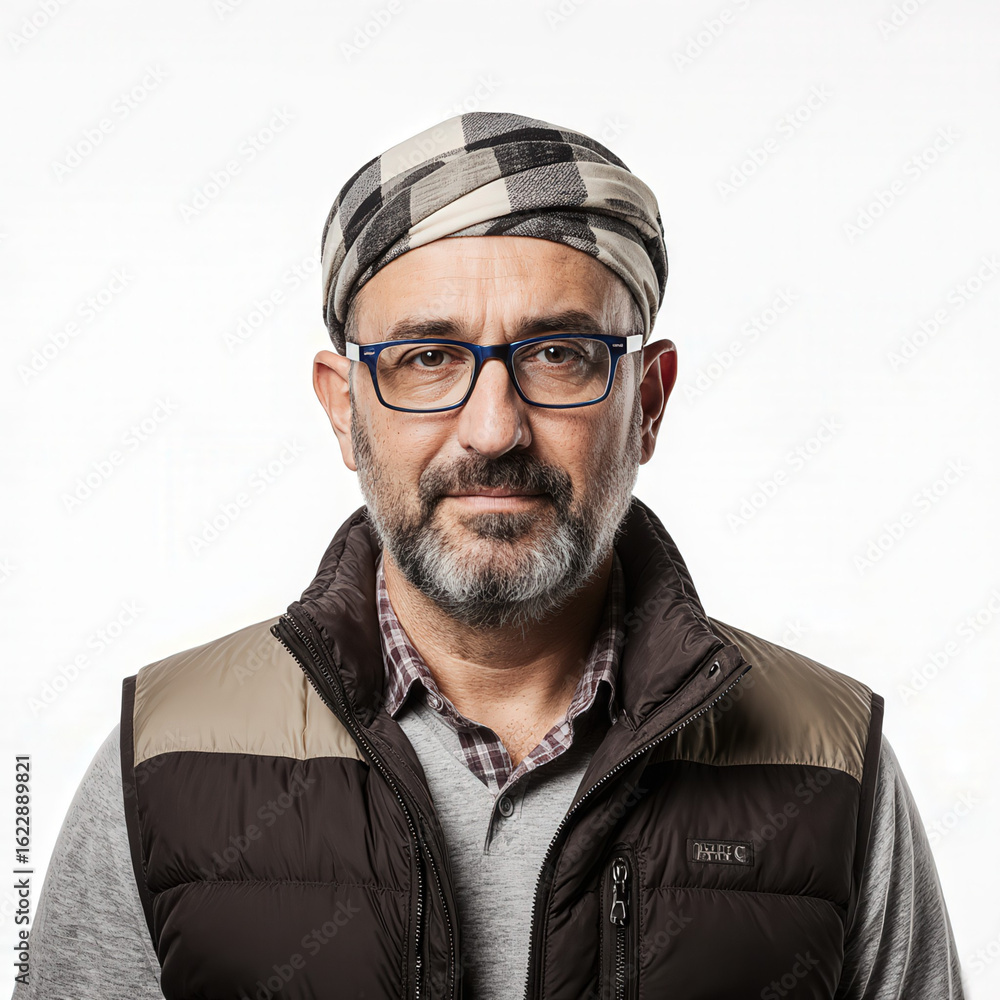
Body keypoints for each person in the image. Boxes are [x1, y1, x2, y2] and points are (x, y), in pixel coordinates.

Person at [15, 112, 965, 1000]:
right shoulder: (165, 761)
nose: (493, 428)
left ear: (651, 402)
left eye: (559, 354)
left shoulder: (835, 768)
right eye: (427, 358)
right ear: (345, 408)